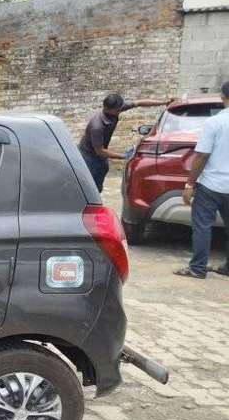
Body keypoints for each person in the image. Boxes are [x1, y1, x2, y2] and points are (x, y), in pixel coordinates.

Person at [175, 80, 229, 279]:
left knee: (202, 227)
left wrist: (190, 184)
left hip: (211, 185)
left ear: (223, 97)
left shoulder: (214, 123)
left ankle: (197, 268)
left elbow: (202, 156)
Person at [78, 93, 173, 192]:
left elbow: (139, 103)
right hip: (89, 157)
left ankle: (96, 199)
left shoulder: (114, 110)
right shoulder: (97, 126)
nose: (121, 109)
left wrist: (164, 102)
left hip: (99, 157)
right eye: (119, 109)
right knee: (89, 187)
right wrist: (125, 156)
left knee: (100, 179)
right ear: (111, 109)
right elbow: (100, 151)